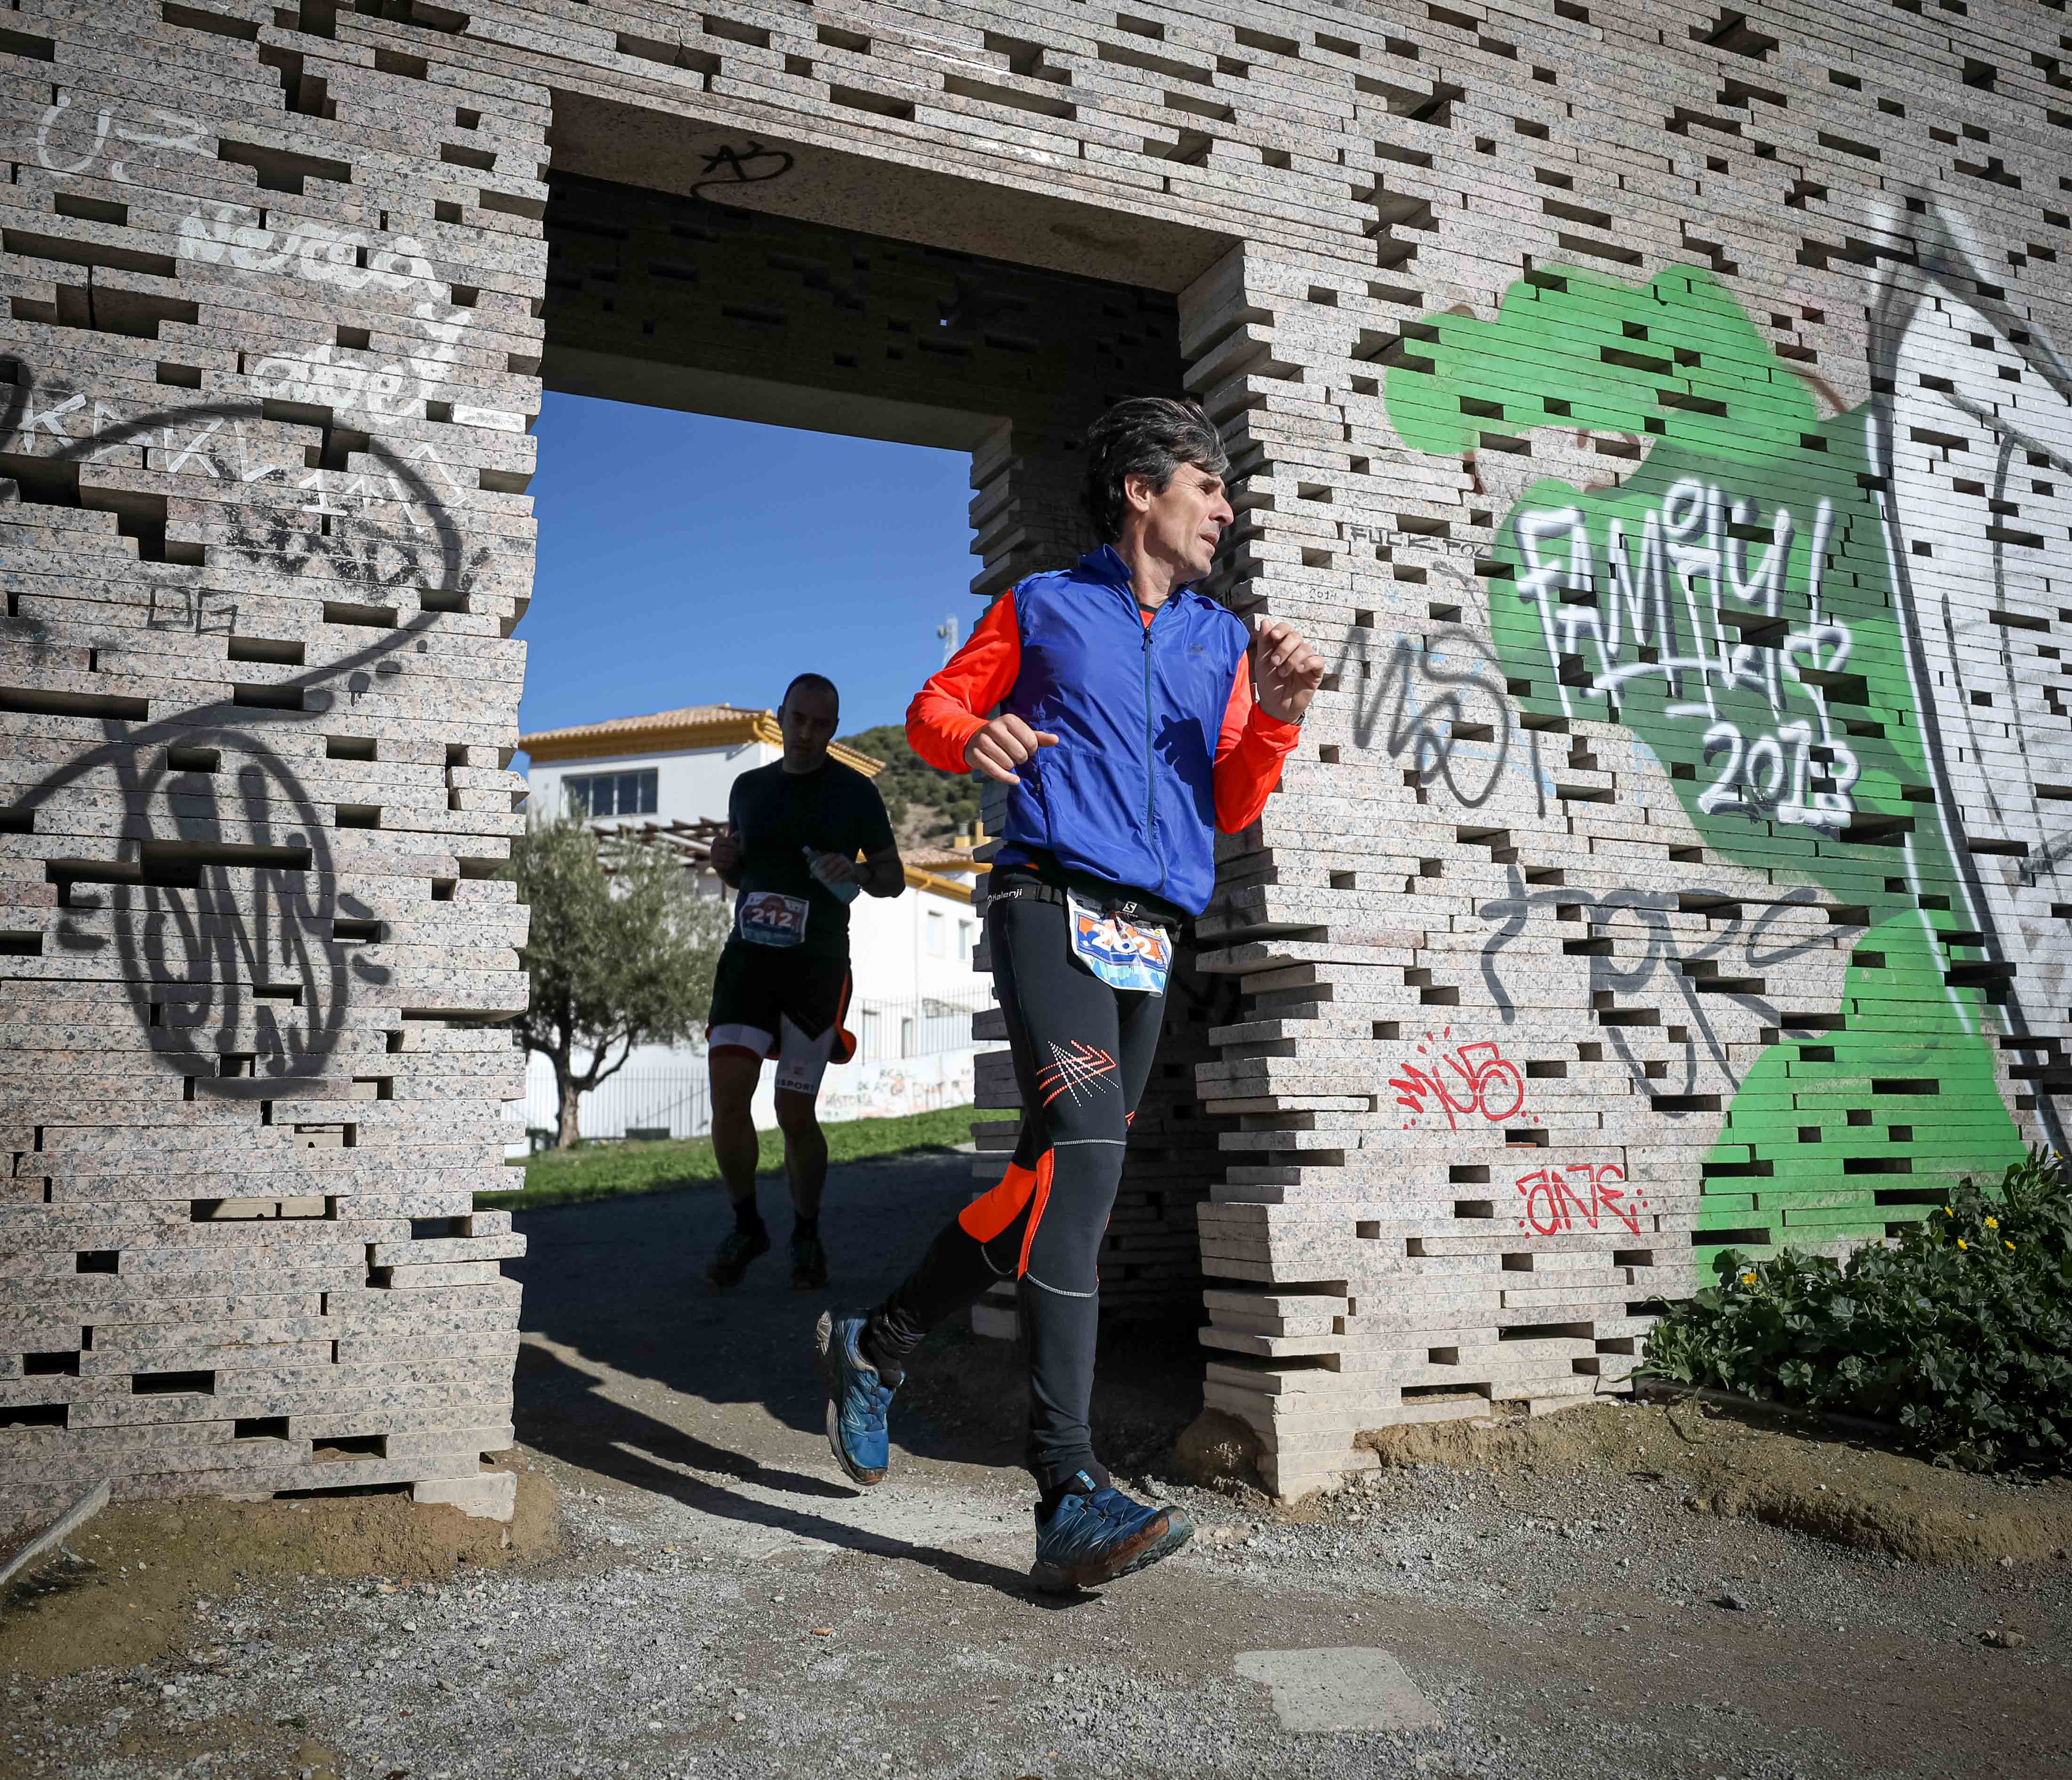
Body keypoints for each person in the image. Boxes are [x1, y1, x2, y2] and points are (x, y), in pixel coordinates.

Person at [815, 396, 1324, 1591]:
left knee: (1043, 1180)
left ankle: (876, 1345)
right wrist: (972, 737)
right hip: (1045, 903)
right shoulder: (1046, 605)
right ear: (1143, 491)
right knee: (1090, 1159)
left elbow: (1233, 799)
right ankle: (1067, 1487)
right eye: (1209, 484)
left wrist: (1281, 722)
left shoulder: (1217, 640)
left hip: (1148, 935)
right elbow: (938, 711)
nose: (1226, 507)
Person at [706, 673, 903, 1289]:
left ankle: (805, 1232)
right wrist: (726, 863)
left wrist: (860, 872)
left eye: (821, 724)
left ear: (834, 728)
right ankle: (746, 1224)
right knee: (727, 1097)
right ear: (783, 716)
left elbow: (893, 877)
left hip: (816, 967)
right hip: (748, 960)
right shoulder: (748, 788)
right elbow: (747, 870)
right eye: (799, 720)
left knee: (793, 1111)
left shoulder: (855, 793)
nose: (808, 734)